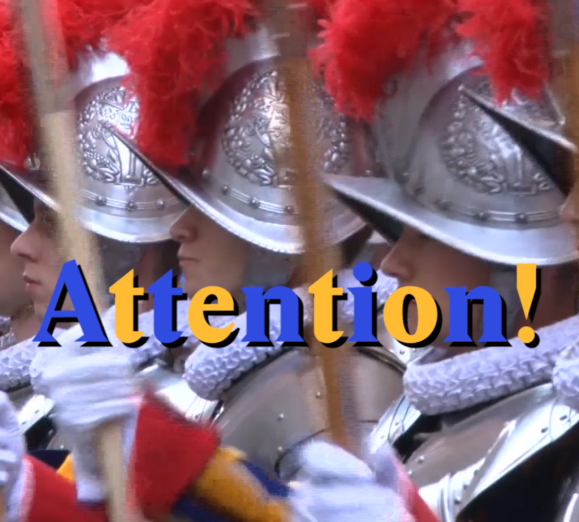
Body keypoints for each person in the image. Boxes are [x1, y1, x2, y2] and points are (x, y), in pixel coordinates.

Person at [309, 0, 579, 519]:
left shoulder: (556, 437)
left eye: (424, 237)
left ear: (514, 267)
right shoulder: (414, 411)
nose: (392, 264)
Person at [0, 52, 187, 448]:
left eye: (54, 225)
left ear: (129, 247)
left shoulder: (173, 403)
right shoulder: (52, 386)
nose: (20, 244)